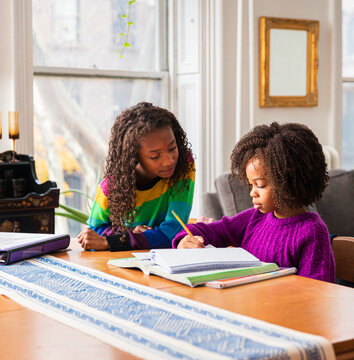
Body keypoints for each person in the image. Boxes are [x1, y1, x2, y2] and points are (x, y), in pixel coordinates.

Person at [173, 122, 335, 282]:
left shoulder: (312, 231)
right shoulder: (254, 217)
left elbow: (316, 292)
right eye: (251, 185)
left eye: (260, 185)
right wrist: (184, 240)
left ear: (288, 182)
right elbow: (209, 230)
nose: (252, 192)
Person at [78, 102, 195, 251]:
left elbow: (173, 232)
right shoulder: (111, 188)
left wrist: (116, 241)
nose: (169, 160)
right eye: (155, 156)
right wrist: (130, 233)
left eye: (172, 148)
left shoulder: (183, 165)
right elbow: (94, 234)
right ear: (134, 157)